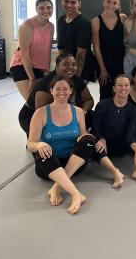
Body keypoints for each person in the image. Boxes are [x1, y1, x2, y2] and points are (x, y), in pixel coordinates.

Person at [27, 76, 95, 215]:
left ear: (71, 91)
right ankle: (75, 194)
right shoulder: (40, 113)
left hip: (73, 163)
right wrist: (39, 145)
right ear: (51, 91)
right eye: (57, 89)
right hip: (49, 167)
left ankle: (57, 188)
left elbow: (81, 136)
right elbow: (30, 144)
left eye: (65, 89)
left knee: (88, 140)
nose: (61, 92)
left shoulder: (79, 112)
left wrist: (86, 138)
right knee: (41, 150)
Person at [91, 75, 136, 184]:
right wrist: (101, 139)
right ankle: (115, 172)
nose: (123, 88)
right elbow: (95, 128)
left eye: (126, 85)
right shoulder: (103, 105)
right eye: (119, 85)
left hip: (122, 145)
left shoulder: (133, 110)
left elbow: (130, 134)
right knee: (93, 141)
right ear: (114, 88)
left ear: (130, 88)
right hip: (105, 146)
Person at [18, 53, 94, 136]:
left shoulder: (77, 80)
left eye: (74, 65)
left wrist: (83, 111)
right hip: (32, 117)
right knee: (52, 138)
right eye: (66, 64)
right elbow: (41, 114)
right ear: (57, 66)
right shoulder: (45, 84)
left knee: (92, 116)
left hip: (66, 115)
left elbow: (88, 100)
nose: (71, 68)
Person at [10, 0, 54, 101]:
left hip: (39, 67)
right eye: (41, 8)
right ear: (36, 9)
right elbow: (24, 54)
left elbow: (47, 51)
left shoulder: (51, 26)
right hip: (22, 66)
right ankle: (26, 117)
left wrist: (46, 70)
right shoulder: (26, 26)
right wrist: (32, 78)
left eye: (49, 7)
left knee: (44, 101)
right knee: (33, 102)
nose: (46, 11)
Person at [91, 0, 127, 99]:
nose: (111, 5)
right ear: (103, 2)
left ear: (118, 5)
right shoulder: (96, 21)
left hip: (121, 62)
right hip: (104, 62)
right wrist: (102, 69)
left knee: (121, 92)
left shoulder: (123, 18)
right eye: (108, 1)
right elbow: (96, 47)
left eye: (115, 3)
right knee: (105, 93)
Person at [57, 0, 95, 82]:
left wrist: (76, 77)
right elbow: (61, 47)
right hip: (67, 66)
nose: (69, 5)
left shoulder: (83, 23)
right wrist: (62, 68)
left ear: (79, 4)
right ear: (61, 1)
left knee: (76, 95)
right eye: (66, 1)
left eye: (73, 2)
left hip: (82, 69)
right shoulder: (60, 20)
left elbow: (81, 53)